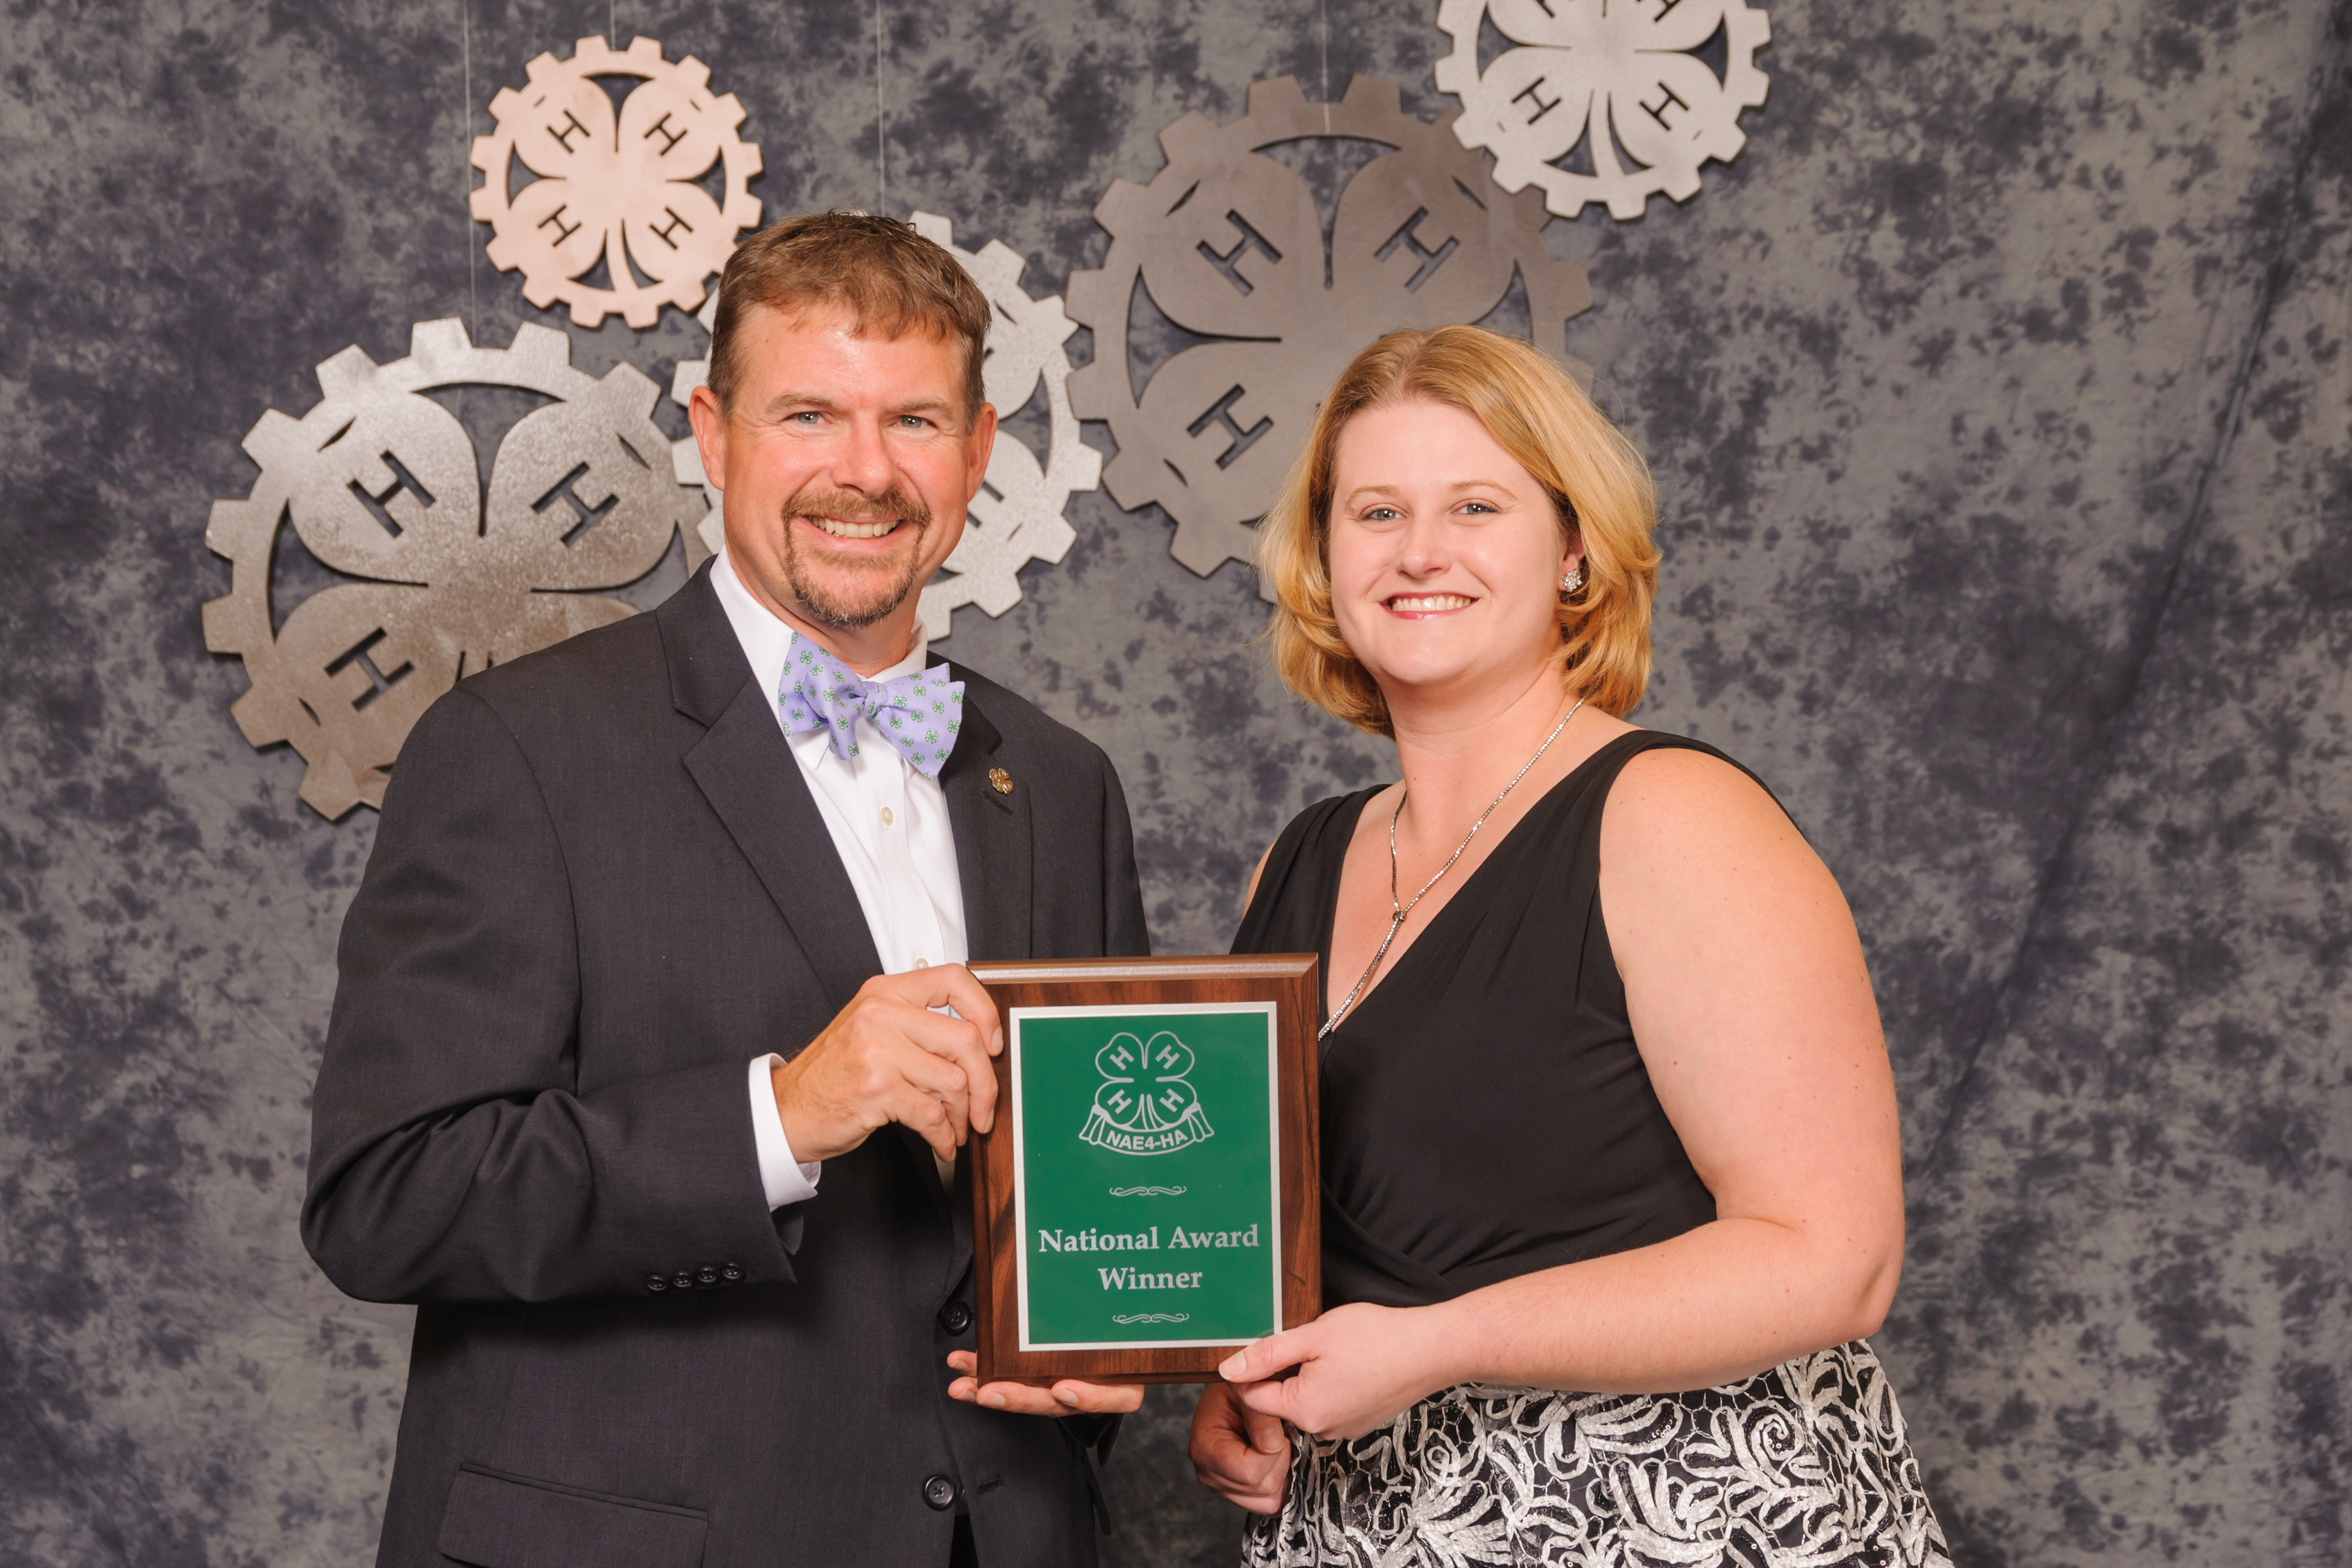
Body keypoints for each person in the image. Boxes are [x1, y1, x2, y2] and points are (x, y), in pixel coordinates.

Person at [302, 212, 1146, 1568]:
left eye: (916, 423)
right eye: (809, 414)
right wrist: (784, 1113)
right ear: (713, 432)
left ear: (981, 450)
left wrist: (1108, 1357)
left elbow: (1092, 1208)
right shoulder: (520, 749)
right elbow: (387, 1199)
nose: (865, 473)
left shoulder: (1057, 778)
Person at [1188, 325, 1952, 1566]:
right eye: (1376, 512)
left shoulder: (1672, 819)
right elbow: (1293, 1230)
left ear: (1576, 552)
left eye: (1476, 506)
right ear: (1325, 560)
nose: (1420, 553)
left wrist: (1436, 1344)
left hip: (1677, 1522)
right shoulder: (1301, 861)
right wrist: (1252, 1370)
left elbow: (1834, 1262)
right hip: (1373, 1533)